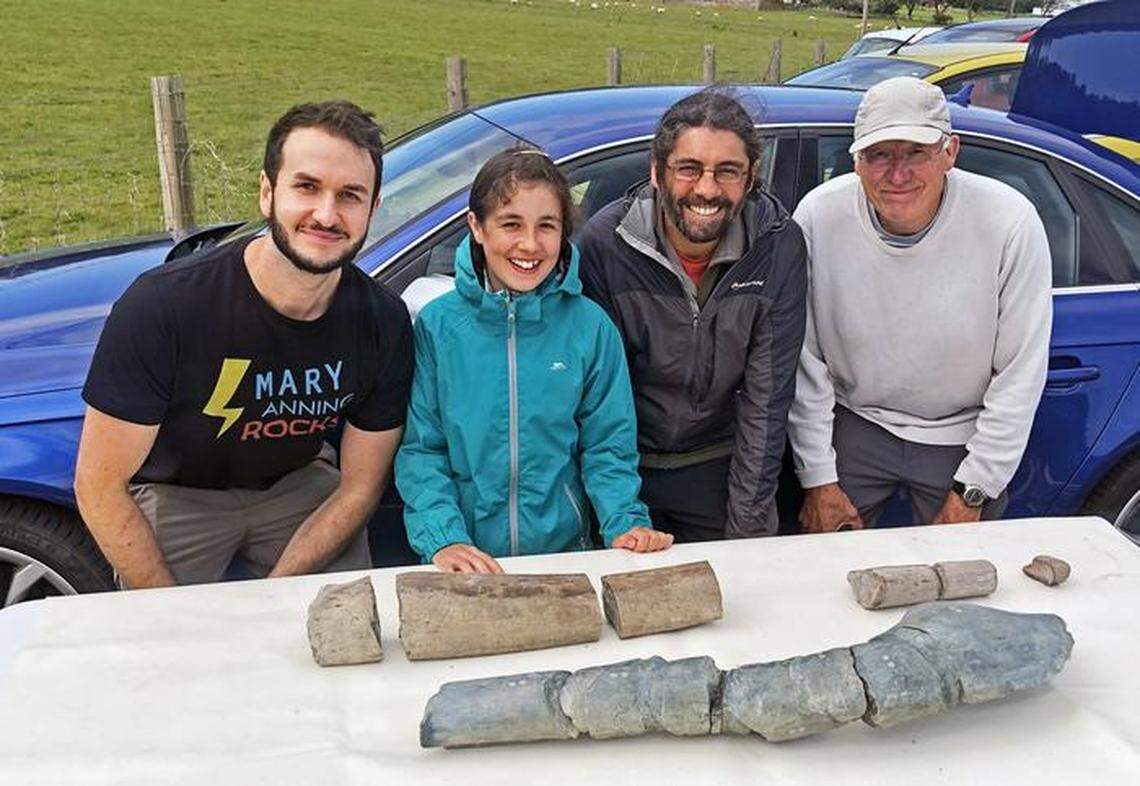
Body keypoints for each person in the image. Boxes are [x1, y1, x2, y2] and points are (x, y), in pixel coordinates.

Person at [74, 101, 414, 588]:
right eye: (307, 187)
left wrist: (274, 597)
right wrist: (168, 615)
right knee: (164, 649)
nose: (326, 213)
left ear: (373, 209)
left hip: (298, 484)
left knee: (344, 629)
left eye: (350, 195)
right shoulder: (164, 305)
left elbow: (360, 488)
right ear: (266, 192)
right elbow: (98, 486)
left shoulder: (383, 320)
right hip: (179, 492)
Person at [788, 77, 1052, 532]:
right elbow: (802, 359)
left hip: (962, 431)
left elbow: (1019, 373)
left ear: (950, 152)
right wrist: (818, 480)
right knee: (821, 568)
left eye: (915, 152)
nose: (897, 173)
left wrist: (976, 487)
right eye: (879, 155)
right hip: (855, 420)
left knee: (963, 578)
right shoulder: (818, 216)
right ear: (855, 160)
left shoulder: (1009, 220)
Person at [396, 147, 672, 574]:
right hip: (463, 565)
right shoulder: (438, 328)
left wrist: (625, 524)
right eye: (510, 224)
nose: (529, 244)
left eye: (547, 226)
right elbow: (421, 451)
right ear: (477, 227)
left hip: (565, 561)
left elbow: (608, 448)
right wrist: (443, 538)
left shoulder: (590, 327)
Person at [577, 88, 808, 543]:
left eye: (727, 172)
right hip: (623, 470)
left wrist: (745, 536)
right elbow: (597, 399)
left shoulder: (778, 246)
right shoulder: (607, 244)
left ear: (752, 176)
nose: (706, 189)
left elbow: (767, 400)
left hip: (719, 469)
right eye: (689, 169)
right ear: (657, 172)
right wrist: (620, 513)